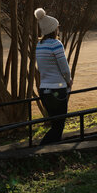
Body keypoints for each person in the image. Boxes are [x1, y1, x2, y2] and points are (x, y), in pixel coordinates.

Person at [34, 8, 73, 144]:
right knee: (59, 126)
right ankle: (41, 150)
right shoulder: (56, 45)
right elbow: (65, 68)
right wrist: (69, 81)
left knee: (54, 124)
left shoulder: (39, 45)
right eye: (57, 27)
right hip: (57, 89)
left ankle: (49, 152)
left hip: (44, 90)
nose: (58, 30)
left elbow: (40, 68)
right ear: (53, 29)